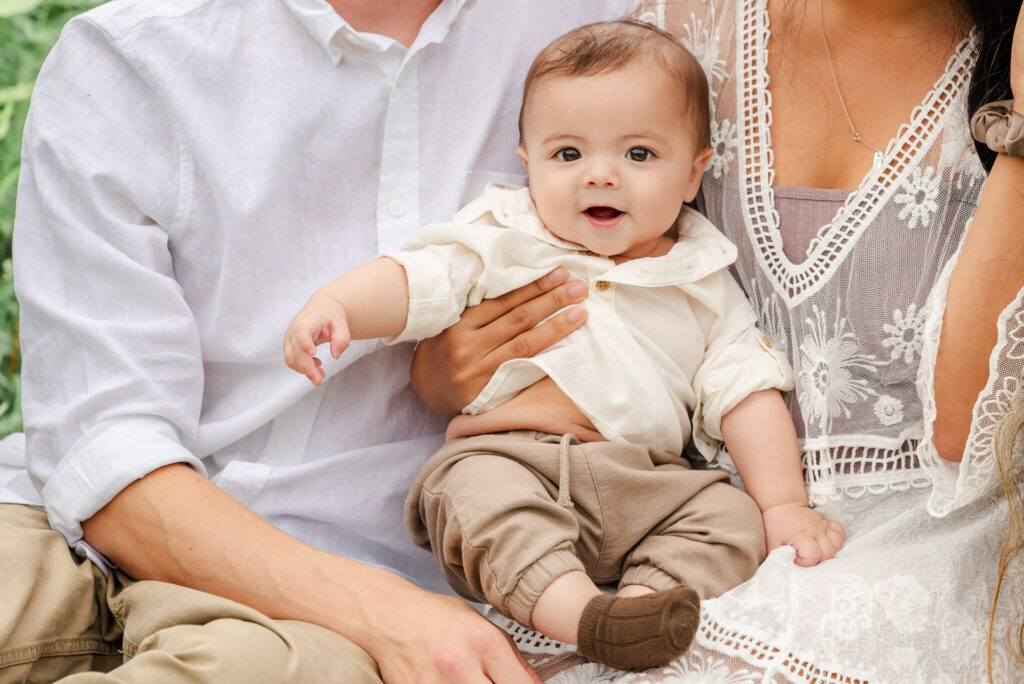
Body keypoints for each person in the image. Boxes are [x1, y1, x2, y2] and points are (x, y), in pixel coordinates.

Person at [0, 1, 639, 682]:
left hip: (328, 597)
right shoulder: (131, 54)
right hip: (66, 522)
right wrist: (384, 614)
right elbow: (102, 442)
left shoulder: (595, 25)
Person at [407, 0, 1024, 681]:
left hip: (904, 542)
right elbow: (515, 255)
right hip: (645, 496)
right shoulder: (674, 28)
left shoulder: (1005, 65)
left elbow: (963, 434)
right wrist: (440, 368)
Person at [283, 20, 846, 672]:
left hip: (648, 479)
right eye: (568, 155)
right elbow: (420, 277)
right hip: (509, 458)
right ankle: (583, 615)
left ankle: (644, 605)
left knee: (729, 518)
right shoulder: (506, 232)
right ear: (528, 164)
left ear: (694, 176)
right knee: (473, 501)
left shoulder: (701, 277)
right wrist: (340, 306)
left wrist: (782, 504)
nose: (600, 177)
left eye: (638, 155)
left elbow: (745, 390)